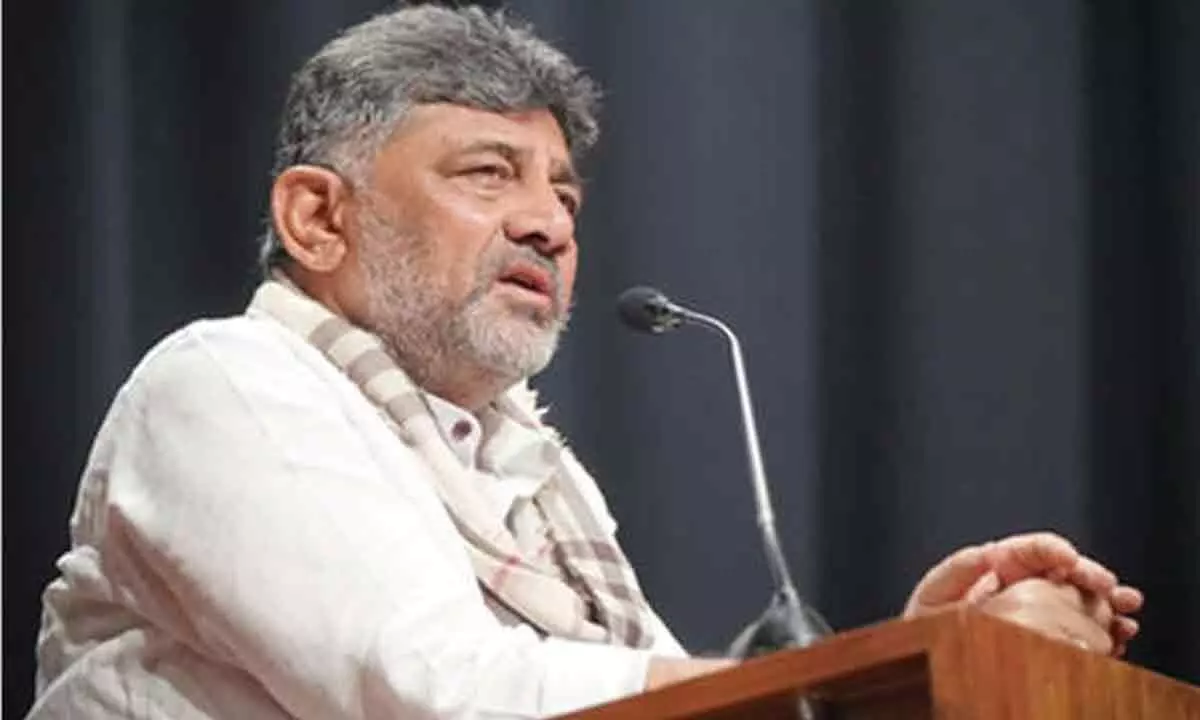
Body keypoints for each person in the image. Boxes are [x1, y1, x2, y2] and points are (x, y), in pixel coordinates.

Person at [28, 5, 1142, 719]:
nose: (549, 223)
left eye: (563, 192)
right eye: (487, 174)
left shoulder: (534, 473)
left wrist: (918, 659)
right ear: (319, 219)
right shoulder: (225, 383)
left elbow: (671, 708)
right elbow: (441, 696)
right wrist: (880, 681)